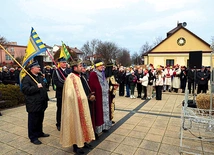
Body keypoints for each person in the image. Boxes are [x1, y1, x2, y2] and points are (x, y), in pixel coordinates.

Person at [60, 60, 95, 154]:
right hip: (75, 106)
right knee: (76, 125)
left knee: (84, 123)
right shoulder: (70, 78)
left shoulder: (79, 76)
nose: (81, 67)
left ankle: (84, 141)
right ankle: (76, 146)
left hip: (83, 105)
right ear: (75, 67)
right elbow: (69, 94)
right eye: (80, 65)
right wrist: (78, 100)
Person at [21, 61, 49, 145]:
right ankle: (33, 137)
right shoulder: (27, 78)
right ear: (32, 69)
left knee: (40, 119)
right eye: (38, 67)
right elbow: (25, 90)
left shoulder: (39, 76)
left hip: (42, 102)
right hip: (33, 104)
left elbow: (44, 87)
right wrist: (36, 87)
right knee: (33, 121)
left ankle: (39, 132)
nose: (40, 68)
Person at [88, 59, 112, 138]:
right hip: (98, 97)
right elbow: (92, 86)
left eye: (102, 65)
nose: (102, 67)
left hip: (105, 96)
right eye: (101, 65)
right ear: (96, 66)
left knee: (105, 112)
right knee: (98, 113)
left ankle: (105, 126)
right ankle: (97, 129)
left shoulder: (102, 73)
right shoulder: (93, 74)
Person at [53, 57, 71, 131]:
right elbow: (56, 82)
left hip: (69, 93)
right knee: (60, 109)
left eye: (65, 62)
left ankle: (67, 122)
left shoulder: (69, 71)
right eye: (63, 62)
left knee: (68, 108)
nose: (64, 64)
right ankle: (59, 123)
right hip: (60, 93)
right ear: (59, 64)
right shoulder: (56, 71)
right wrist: (65, 85)